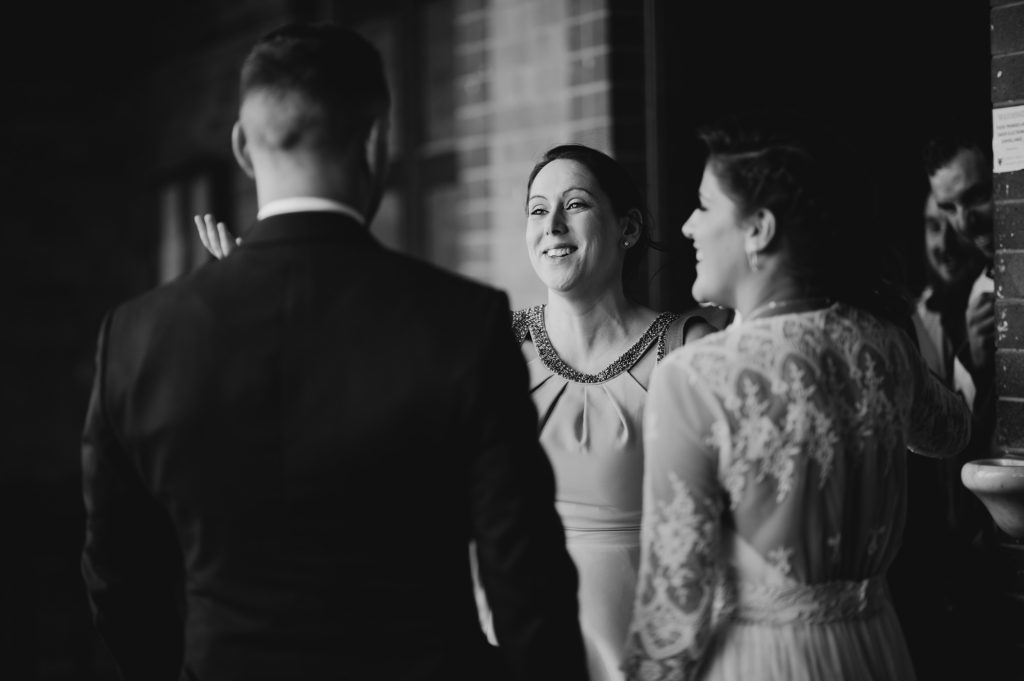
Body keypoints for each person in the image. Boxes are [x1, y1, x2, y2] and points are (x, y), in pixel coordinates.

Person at [80, 22, 588, 681]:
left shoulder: (138, 337)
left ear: (242, 146)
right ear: (376, 141)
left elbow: (116, 576)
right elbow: (528, 583)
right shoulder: (463, 324)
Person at [198, 141, 719, 681]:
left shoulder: (686, 349)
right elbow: (367, 381)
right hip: (511, 636)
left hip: (650, 634)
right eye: (538, 210)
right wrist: (267, 294)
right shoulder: (496, 341)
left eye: (576, 205)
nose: (553, 226)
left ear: (627, 228)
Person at [622, 110, 973, 681]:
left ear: (759, 229)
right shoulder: (884, 345)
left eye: (704, 206)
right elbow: (951, 431)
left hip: (763, 661)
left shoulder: (694, 377)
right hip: (875, 649)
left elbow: (673, 614)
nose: (686, 226)